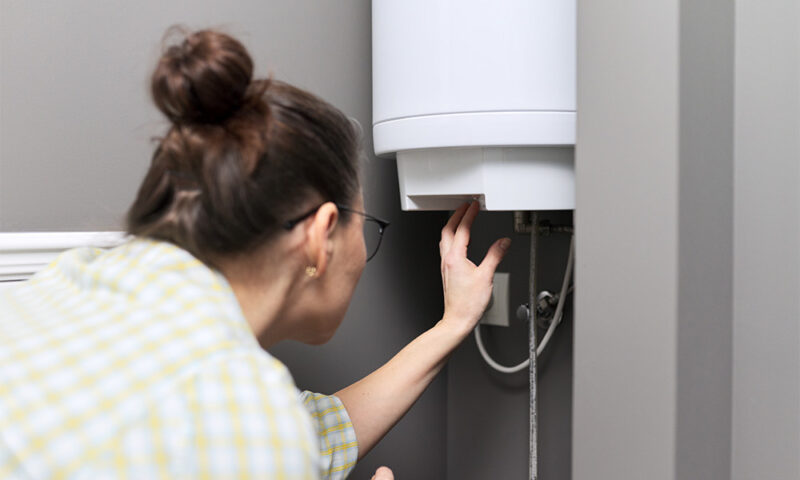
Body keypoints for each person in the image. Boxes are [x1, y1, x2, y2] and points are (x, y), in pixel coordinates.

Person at [0, 28, 510, 479]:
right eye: (366, 225)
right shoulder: (241, 412)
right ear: (321, 234)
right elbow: (254, 430)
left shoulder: (77, 280)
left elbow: (309, 435)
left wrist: (454, 323)